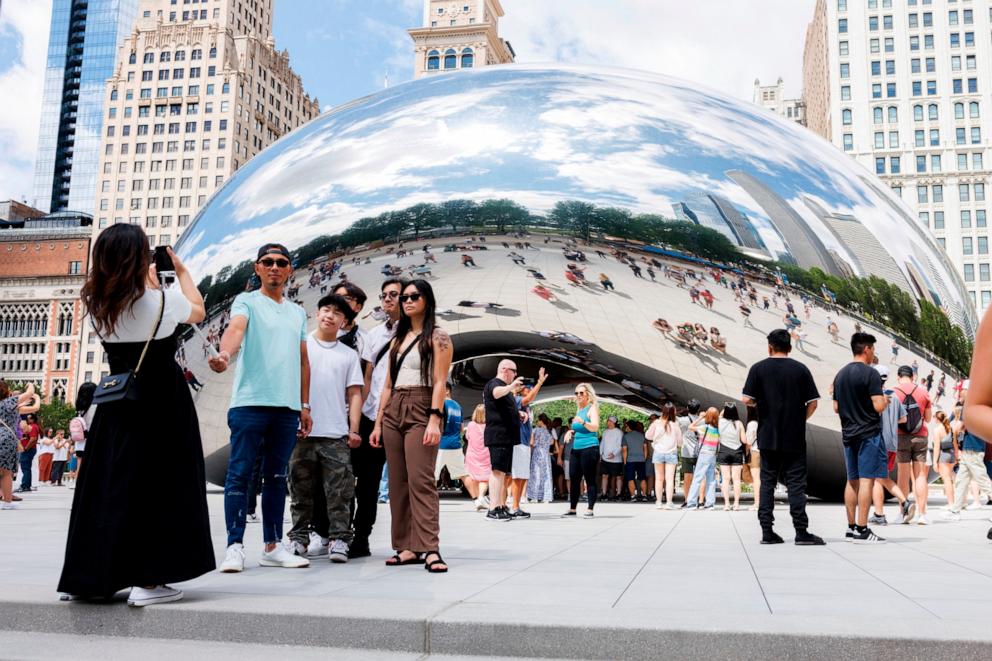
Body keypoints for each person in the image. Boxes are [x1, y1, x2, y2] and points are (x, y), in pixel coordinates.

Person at [58, 224, 214, 606]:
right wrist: (180, 272)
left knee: (111, 484)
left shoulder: (96, 305)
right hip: (162, 400)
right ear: (138, 257)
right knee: (165, 483)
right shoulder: (160, 302)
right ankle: (151, 580)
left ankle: (95, 575)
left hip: (118, 403)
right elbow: (199, 309)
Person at [211, 242, 311, 573]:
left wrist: (305, 405)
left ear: (289, 270)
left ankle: (272, 545)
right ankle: (234, 547)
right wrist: (225, 354)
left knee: (277, 476)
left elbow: (302, 361)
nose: (274, 267)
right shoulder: (247, 301)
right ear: (257, 268)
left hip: (286, 407)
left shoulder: (297, 312)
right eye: (267, 262)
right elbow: (235, 329)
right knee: (239, 475)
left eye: (281, 262)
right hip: (250, 402)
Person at [370, 280, 452, 573]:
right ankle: (405, 546)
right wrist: (379, 422)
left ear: (426, 300)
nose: (406, 301)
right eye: (403, 297)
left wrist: (434, 417)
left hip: (421, 403)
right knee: (397, 483)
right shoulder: (398, 338)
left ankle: (429, 548)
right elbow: (387, 384)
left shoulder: (438, 337)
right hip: (394, 409)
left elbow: (440, 381)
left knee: (421, 480)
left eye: (413, 296)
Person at [286, 294, 364, 563]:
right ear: (317, 313)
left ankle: (340, 539)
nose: (330, 316)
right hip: (300, 433)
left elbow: (354, 394)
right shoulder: (301, 346)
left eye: (337, 313)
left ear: (345, 322)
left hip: (335, 434)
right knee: (299, 490)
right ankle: (298, 539)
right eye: (326, 310)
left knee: (340, 492)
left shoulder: (349, 354)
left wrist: (354, 429)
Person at [741, 329, 824, 545]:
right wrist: (799, 419)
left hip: (767, 435)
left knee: (767, 482)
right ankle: (801, 532)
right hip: (794, 436)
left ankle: (767, 532)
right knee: (796, 483)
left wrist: (762, 404)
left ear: (770, 346)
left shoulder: (758, 368)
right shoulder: (800, 369)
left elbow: (746, 398)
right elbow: (813, 402)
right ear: (790, 347)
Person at [351, 278, 402, 558]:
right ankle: (349, 534)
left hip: (398, 416)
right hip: (371, 415)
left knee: (380, 482)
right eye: (384, 295)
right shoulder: (374, 335)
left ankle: (367, 537)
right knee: (357, 481)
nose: (388, 300)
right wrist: (356, 419)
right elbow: (367, 377)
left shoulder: (414, 334)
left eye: (394, 294)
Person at [832, 332, 889, 544]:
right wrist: (885, 401)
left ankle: (851, 528)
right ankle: (863, 529)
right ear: (866, 349)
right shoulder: (871, 374)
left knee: (852, 480)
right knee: (867, 480)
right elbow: (878, 406)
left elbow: (836, 407)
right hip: (869, 434)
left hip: (848, 433)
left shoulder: (841, 374)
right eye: (873, 349)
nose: (873, 353)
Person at [868, 365, 914, 527]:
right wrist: (891, 420)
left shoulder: (874, 395)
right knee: (880, 477)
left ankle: (901, 503)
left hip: (877, 441)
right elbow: (903, 419)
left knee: (878, 478)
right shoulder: (893, 395)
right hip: (892, 442)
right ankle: (879, 513)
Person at [483, 359, 524, 521]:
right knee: (497, 471)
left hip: (506, 437)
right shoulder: (495, 384)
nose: (515, 375)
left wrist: (518, 414)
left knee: (502, 473)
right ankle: (493, 509)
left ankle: (500, 506)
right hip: (498, 435)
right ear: (506, 370)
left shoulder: (504, 388)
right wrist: (511, 387)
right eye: (514, 371)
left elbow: (503, 407)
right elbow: (495, 392)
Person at [944, 381, 992, 520]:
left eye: (961, 390)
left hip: (972, 449)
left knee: (983, 481)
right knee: (961, 480)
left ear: (968, 391)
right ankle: (955, 510)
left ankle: (955, 510)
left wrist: (952, 431)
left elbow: (957, 428)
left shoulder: (969, 407)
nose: (959, 393)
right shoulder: (977, 407)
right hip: (970, 449)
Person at [892, 365, 933, 523]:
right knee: (920, 475)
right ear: (913, 376)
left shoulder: (893, 392)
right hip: (920, 436)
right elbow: (928, 419)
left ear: (898, 376)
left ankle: (903, 513)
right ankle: (922, 515)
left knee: (903, 475)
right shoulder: (923, 392)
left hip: (901, 436)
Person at [510, 369, 548, 518]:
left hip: (524, 443)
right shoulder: (516, 401)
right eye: (527, 387)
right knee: (515, 476)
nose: (530, 390)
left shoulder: (527, 407)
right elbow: (529, 398)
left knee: (521, 476)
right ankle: (513, 506)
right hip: (518, 442)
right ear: (519, 389)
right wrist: (540, 382)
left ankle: (516, 506)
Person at [562, 383, 601, 517]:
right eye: (576, 393)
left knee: (589, 478)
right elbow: (577, 428)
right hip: (576, 448)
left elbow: (595, 427)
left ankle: (590, 509)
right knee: (574, 478)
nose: (578, 395)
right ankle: (573, 509)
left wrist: (583, 422)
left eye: (581, 393)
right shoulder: (579, 410)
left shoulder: (592, 408)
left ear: (588, 395)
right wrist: (570, 431)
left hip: (589, 447)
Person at [0, 382, 40, 508]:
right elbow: (30, 394)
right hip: (6, 438)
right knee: (6, 472)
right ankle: (7, 502)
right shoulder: (9, 402)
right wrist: (30, 385)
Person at [434, 383, 468, 501]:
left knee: (433, 475)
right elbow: (462, 429)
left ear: (447, 391)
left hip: (441, 444)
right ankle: (478, 498)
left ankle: (429, 499)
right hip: (455, 444)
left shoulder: (441, 404)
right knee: (463, 474)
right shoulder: (458, 406)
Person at [646, 403, 679, 510]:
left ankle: (659, 502)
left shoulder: (656, 423)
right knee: (669, 479)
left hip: (658, 452)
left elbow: (648, 436)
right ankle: (669, 502)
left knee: (659, 479)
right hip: (671, 453)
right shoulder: (675, 424)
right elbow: (680, 442)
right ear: (673, 412)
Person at [686, 408, 720, 510]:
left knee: (697, 478)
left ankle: (691, 503)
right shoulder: (718, 429)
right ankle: (710, 504)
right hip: (713, 456)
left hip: (704, 455)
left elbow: (690, 427)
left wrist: (700, 417)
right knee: (711, 479)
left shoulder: (704, 428)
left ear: (708, 416)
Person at [716, 403, 746, 511]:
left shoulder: (720, 422)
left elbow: (720, 416)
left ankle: (727, 504)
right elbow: (744, 440)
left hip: (724, 451)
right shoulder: (739, 423)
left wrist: (724, 410)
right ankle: (736, 504)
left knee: (725, 479)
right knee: (736, 479)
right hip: (736, 452)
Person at [463, 404, 491, 510]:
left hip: (472, 454)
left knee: (474, 477)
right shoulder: (489, 425)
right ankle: (480, 497)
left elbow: (467, 437)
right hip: (486, 454)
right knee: (484, 478)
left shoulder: (470, 425)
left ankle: (478, 500)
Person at [677, 400, 702, 507]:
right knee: (701, 477)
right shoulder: (703, 421)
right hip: (700, 452)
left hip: (686, 451)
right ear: (699, 409)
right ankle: (701, 500)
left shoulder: (682, 420)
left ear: (687, 408)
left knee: (687, 477)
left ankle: (687, 500)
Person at [69, 382, 96, 477]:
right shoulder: (95, 406)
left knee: (80, 463)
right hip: (91, 438)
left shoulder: (79, 407)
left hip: (79, 441)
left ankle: (77, 483)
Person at [931, 411, 957, 508]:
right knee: (953, 479)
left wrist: (934, 462)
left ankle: (951, 504)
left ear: (937, 419)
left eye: (934, 417)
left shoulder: (937, 430)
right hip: (952, 454)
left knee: (947, 480)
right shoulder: (951, 428)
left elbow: (937, 447)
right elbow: (955, 443)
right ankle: (957, 502)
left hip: (944, 455)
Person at [528, 413, 554, 503]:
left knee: (536, 474)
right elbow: (552, 442)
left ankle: (534, 496)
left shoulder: (535, 430)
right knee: (546, 475)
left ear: (540, 421)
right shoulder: (550, 431)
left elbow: (531, 443)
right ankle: (546, 497)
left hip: (537, 454)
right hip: (546, 455)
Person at [622, 420, 648, 501]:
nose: (626, 428)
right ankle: (644, 496)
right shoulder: (641, 435)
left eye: (626, 426)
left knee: (630, 478)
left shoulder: (626, 436)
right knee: (642, 478)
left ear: (629, 427)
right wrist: (644, 458)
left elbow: (625, 450)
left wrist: (625, 461)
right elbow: (645, 448)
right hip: (641, 460)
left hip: (630, 460)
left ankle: (633, 496)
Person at [599, 416, 624, 501]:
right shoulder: (605, 432)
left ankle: (619, 493)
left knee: (618, 477)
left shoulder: (619, 432)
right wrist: (600, 453)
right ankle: (604, 493)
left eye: (610, 421)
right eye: (608, 421)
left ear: (614, 422)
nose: (608, 422)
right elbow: (602, 443)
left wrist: (614, 453)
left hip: (616, 459)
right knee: (604, 475)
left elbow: (620, 445)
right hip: (605, 458)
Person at [17, 412, 40, 493]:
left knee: (25, 468)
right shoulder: (31, 426)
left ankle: (24, 486)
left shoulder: (33, 427)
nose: (27, 419)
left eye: (29, 418)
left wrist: (26, 448)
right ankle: (27, 486)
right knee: (27, 468)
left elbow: (33, 439)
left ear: (33, 419)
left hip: (28, 450)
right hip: (29, 449)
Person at [744, 406, 760, 511]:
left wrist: (745, 452)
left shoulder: (752, 424)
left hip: (755, 451)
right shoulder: (763, 422)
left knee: (756, 479)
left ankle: (757, 503)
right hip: (765, 451)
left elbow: (748, 441)